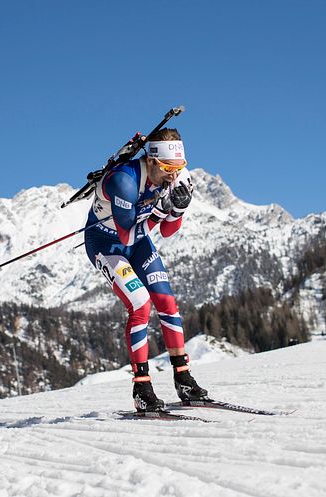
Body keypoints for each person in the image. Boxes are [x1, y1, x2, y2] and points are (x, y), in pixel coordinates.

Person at [84, 127, 209, 412]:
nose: (173, 174)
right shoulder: (124, 182)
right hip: (107, 244)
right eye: (167, 167)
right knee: (140, 303)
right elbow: (126, 235)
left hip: (139, 242)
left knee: (166, 300)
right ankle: (142, 386)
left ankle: (184, 378)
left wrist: (177, 209)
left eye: (179, 167)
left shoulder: (179, 177)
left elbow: (167, 231)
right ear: (151, 161)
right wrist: (159, 210)